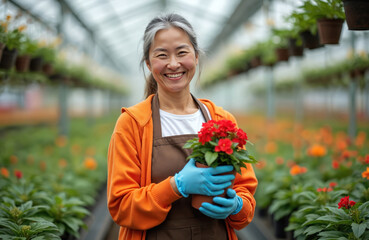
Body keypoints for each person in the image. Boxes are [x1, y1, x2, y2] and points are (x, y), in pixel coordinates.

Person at [107, 13, 258, 240]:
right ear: (148, 63)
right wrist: (175, 187)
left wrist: (237, 206)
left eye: (182, 52)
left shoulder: (221, 120)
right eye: (161, 55)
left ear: (196, 57)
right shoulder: (132, 124)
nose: (173, 64)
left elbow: (245, 193)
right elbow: (121, 206)